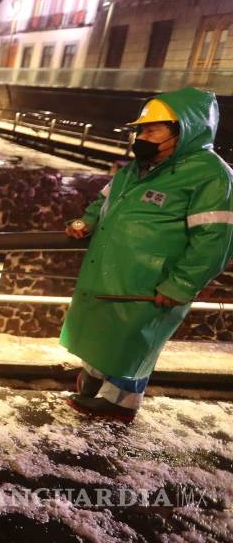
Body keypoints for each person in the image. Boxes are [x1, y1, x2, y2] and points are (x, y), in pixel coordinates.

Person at [61, 88, 233, 422]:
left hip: (153, 281)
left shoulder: (212, 175)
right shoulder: (135, 168)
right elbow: (104, 201)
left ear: (184, 128)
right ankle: (95, 385)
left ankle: (120, 402)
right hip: (111, 270)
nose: (142, 136)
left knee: (135, 339)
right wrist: (86, 221)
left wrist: (180, 284)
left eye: (152, 129)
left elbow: (215, 240)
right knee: (106, 330)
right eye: (140, 129)